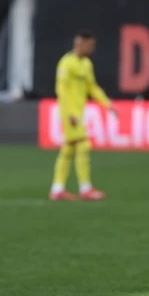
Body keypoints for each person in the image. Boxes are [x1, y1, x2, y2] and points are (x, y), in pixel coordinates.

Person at [48, 30, 114, 201]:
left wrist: (107, 104)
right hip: (69, 113)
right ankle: (85, 189)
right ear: (80, 44)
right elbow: (60, 89)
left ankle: (57, 189)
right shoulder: (66, 63)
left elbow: (92, 87)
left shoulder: (86, 64)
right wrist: (69, 112)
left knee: (69, 149)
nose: (92, 48)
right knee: (83, 145)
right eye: (90, 45)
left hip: (78, 113)